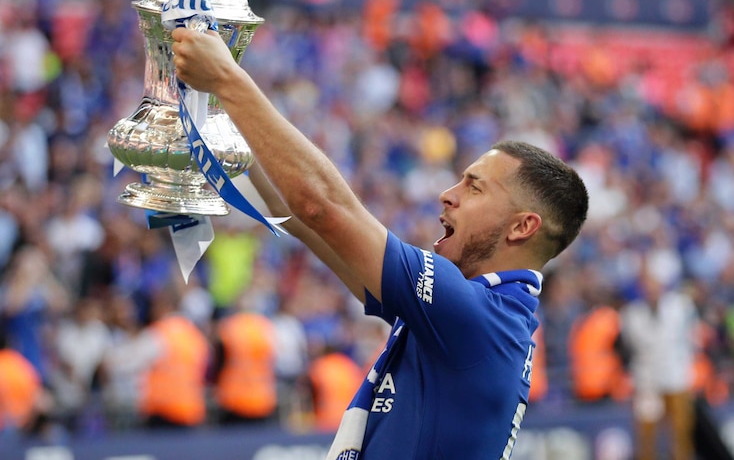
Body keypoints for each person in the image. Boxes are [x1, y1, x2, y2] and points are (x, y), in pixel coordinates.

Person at [171, 28, 589, 459]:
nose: (448, 194)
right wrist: (217, 117)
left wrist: (227, 78)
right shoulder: (475, 315)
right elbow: (301, 219)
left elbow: (322, 207)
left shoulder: (477, 315)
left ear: (522, 227)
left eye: (475, 187)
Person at [619, 269, 698, 460]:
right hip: (647, 380)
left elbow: (692, 336)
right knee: (646, 432)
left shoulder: (679, 307)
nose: (652, 291)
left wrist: (687, 363)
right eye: (648, 287)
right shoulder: (631, 314)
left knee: (680, 430)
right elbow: (629, 346)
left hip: (675, 375)